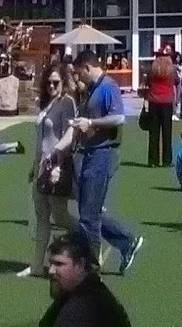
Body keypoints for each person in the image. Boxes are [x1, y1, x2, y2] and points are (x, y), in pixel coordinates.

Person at [72, 52, 143, 275]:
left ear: (87, 67)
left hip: (103, 154)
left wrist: (91, 122)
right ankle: (127, 241)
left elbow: (119, 118)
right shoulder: (92, 89)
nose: (78, 78)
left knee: (88, 216)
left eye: (79, 73)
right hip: (91, 152)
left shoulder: (108, 86)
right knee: (89, 211)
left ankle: (92, 266)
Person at [20, 67, 78, 280]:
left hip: (55, 165)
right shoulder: (46, 105)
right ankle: (36, 265)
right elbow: (40, 141)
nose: (52, 86)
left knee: (60, 216)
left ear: (63, 83)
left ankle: (89, 240)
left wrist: (58, 164)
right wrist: (34, 166)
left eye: (56, 82)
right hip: (40, 166)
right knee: (42, 217)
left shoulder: (67, 103)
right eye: (49, 82)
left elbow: (69, 135)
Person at [39, 230, 133, 327]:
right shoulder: (88, 290)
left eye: (59, 264)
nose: (50, 270)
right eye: (51, 263)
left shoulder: (79, 311)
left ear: (81, 264)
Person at [144, 45, 177, 168]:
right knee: (167, 133)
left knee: (154, 133)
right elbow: (176, 81)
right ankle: (167, 160)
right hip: (167, 102)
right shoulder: (172, 70)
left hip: (154, 102)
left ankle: (153, 160)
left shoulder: (152, 70)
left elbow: (147, 83)